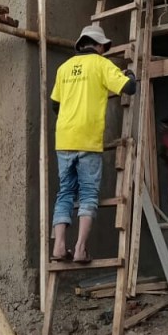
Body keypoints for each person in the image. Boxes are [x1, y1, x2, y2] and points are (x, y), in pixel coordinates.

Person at [50, 23, 137, 264]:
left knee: (65, 192)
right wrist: (130, 74)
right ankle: (80, 249)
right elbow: (129, 88)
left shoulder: (64, 68)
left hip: (64, 138)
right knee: (88, 193)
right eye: (104, 47)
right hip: (88, 139)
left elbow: (55, 105)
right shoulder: (101, 64)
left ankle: (59, 247)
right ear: (98, 45)